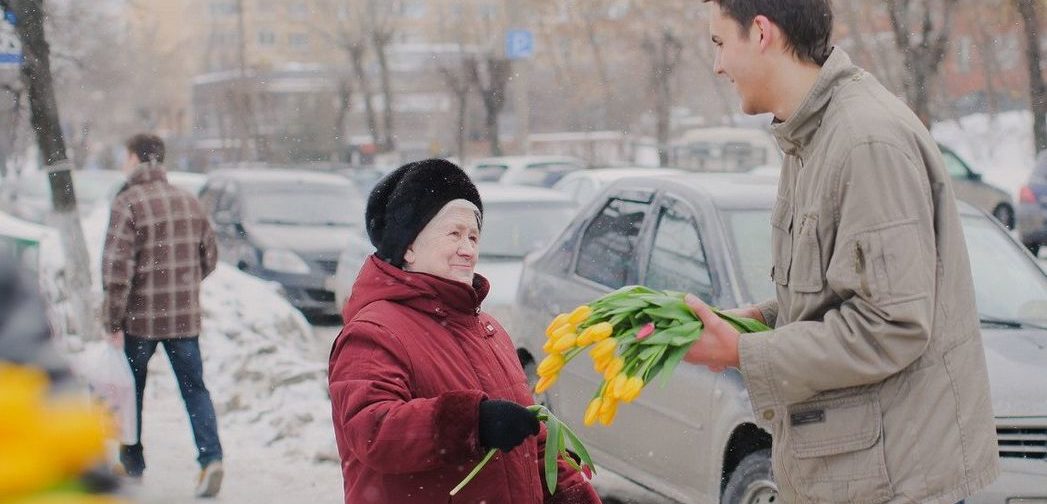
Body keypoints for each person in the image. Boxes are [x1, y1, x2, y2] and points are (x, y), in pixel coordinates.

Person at [681, 1, 1000, 502]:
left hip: (893, 485)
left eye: (720, 43)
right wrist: (755, 322)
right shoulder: (810, 134)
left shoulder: (864, 142)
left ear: (761, 33)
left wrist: (744, 354)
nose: (718, 65)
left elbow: (892, 324)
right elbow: (833, 296)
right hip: (853, 475)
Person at [328, 159, 600, 504]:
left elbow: (529, 436)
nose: (468, 249)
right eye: (454, 234)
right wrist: (469, 423)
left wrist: (570, 492)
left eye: (473, 236)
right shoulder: (374, 332)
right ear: (408, 247)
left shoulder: (486, 329)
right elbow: (372, 430)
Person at [102, 133, 224, 497]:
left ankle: (131, 460)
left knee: (131, 390)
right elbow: (210, 257)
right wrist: (182, 286)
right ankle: (211, 459)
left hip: (139, 321)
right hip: (184, 320)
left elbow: (116, 270)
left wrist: (112, 320)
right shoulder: (188, 201)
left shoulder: (128, 203)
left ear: (136, 158)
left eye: (126, 156)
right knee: (195, 390)